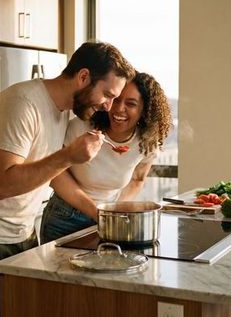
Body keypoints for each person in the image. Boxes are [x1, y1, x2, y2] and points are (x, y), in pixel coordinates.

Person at [0, 41, 135, 317]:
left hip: (21, 233)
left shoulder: (61, 112)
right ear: (83, 77)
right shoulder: (22, 103)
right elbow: (3, 185)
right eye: (107, 95)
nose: (108, 106)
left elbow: (51, 177)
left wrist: (99, 212)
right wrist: (69, 156)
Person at [40, 72, 172, 244]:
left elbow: (137, 179)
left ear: (144, 111)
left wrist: (113, 211)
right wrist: (98, 212)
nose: (118, 109)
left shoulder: (147, 143)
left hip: (107, 219)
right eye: (116, 100)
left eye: (131, 104)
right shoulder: (82, 126)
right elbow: (56, 175)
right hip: (65, 218)